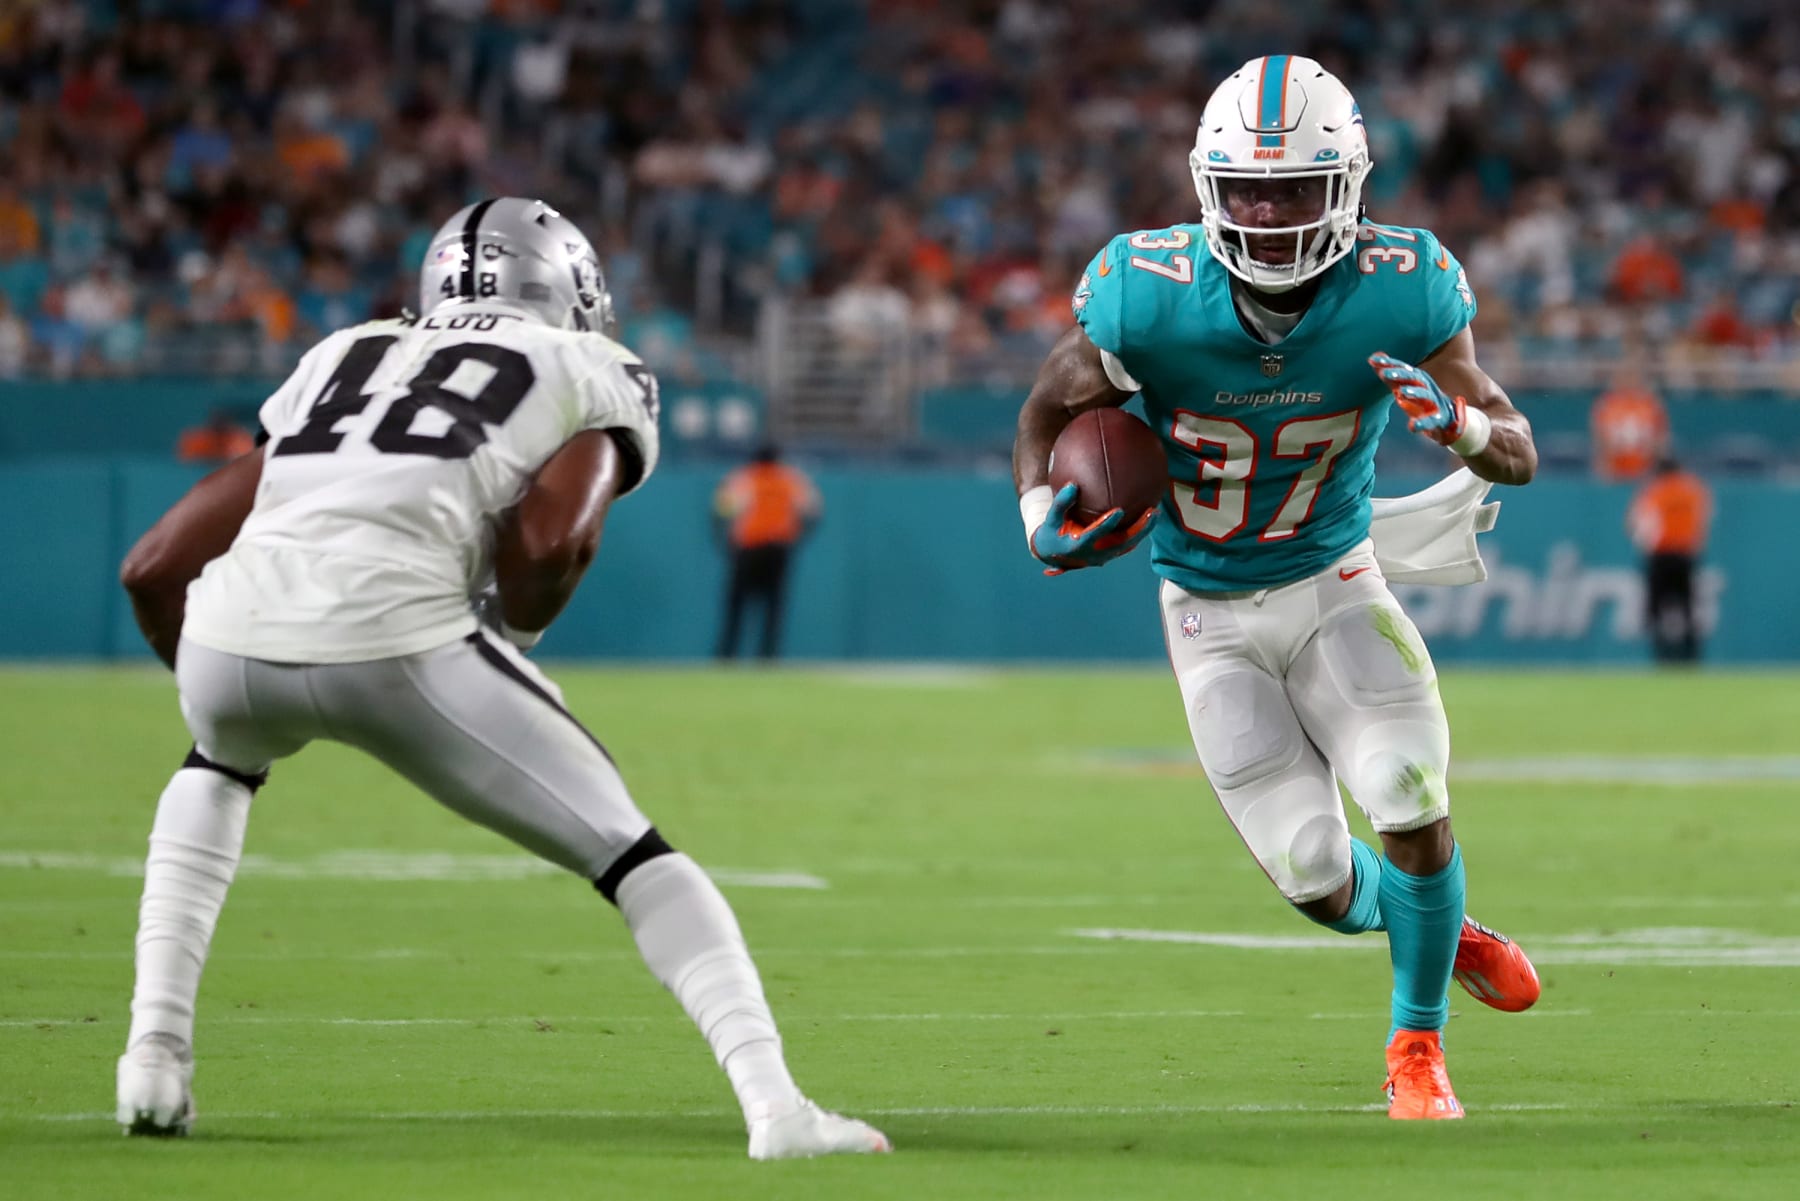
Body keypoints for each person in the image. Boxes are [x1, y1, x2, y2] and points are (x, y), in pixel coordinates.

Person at [114, 197, 889, 1161]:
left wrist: (210, 675)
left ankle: (152, 1059)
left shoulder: (345, 351)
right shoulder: (588, 362)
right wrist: (508, 639)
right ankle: (778, 1110)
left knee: (216, 764)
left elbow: (151, 566)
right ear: (569, 289)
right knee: (635, 856)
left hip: (229, 631)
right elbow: (554, 542)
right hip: (399, 628)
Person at [1012, 56, 1543, 1120]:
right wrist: (1038, 518)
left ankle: (1417, 1044)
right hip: (1205, 605)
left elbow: (1519, 450)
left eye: (1294, 186)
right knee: (1313, 873)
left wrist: (1465, 431)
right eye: (1247, 186)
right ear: (1208, 183)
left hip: (1333, 575)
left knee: (1406, 790)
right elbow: (1042, 413)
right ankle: (1439, 920)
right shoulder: (1141, 292)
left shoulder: (1405, 283)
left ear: (1345, 184)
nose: (1266, 210)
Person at [713, 444, 820, 660]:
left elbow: (723, 508)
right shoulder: (790, 479)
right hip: (778, 547)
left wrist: (725, 540)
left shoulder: (745, 477)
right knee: (774, 605)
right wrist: (798, 535)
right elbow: (813, 510)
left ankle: (728, 654)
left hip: (749, 547)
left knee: (737, 604)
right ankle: (768, 655)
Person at [1628, 455, 1713, 663]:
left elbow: (1639, 524)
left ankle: (1662, 655)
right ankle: (1691, 656)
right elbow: (1704, 518)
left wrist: (1644, 545)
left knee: (1656, 607)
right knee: (1688, 607)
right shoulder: (1693, 490)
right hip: (1685, 554)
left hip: (1661, 556)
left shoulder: (1654, 491)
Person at [1590, 367, 1668, 482]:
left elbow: (1660, 437)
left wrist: (1656, 465)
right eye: (1625, 377)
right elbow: (1600, 437)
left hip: (1644, 467)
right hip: (1615, 467)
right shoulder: (1607, 405)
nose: (1629, 381)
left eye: (1632, 377)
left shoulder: (1651, 405)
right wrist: (1604, 464)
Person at [175, 408, 257, 463]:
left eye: (223, 428)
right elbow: (185, 460)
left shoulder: (239, 440)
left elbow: (246, 459)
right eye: (216, 428)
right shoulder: (198, 439)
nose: (219, 431)